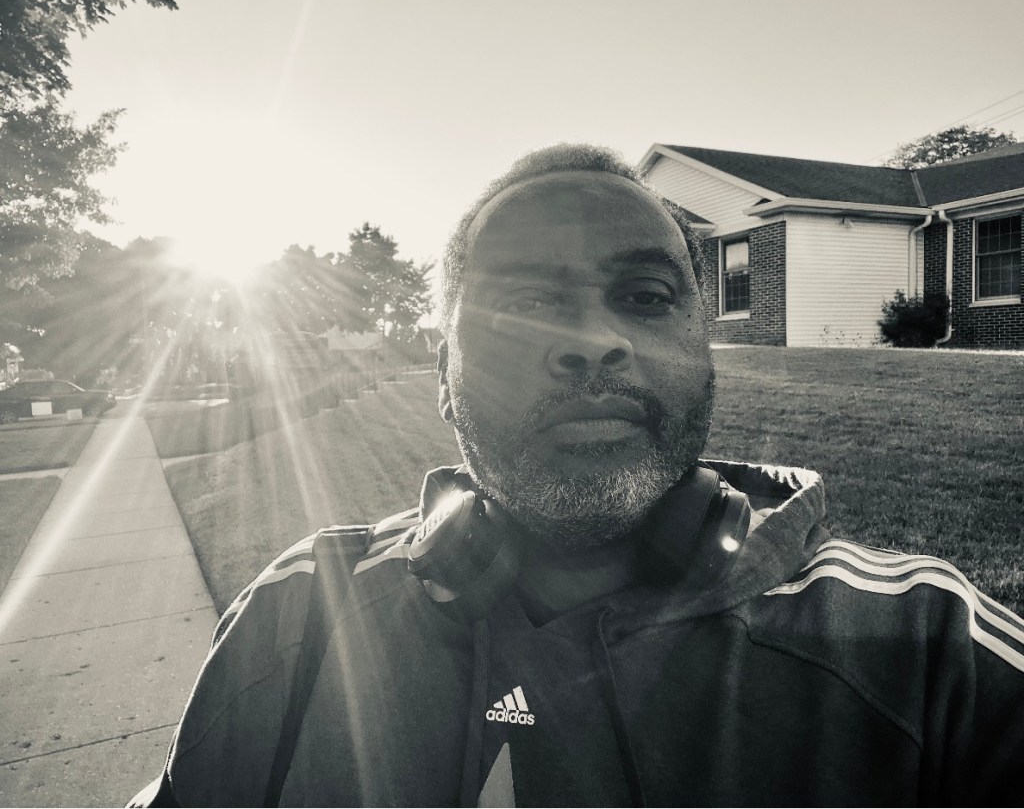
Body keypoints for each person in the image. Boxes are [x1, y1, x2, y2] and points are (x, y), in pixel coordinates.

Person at [131, 144, 1024, 807]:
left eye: (645, 298)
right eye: (525, 301)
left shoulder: (931, 648)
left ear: (702, 348)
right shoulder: (296, 620)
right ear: (443, 373)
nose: (594, 340)